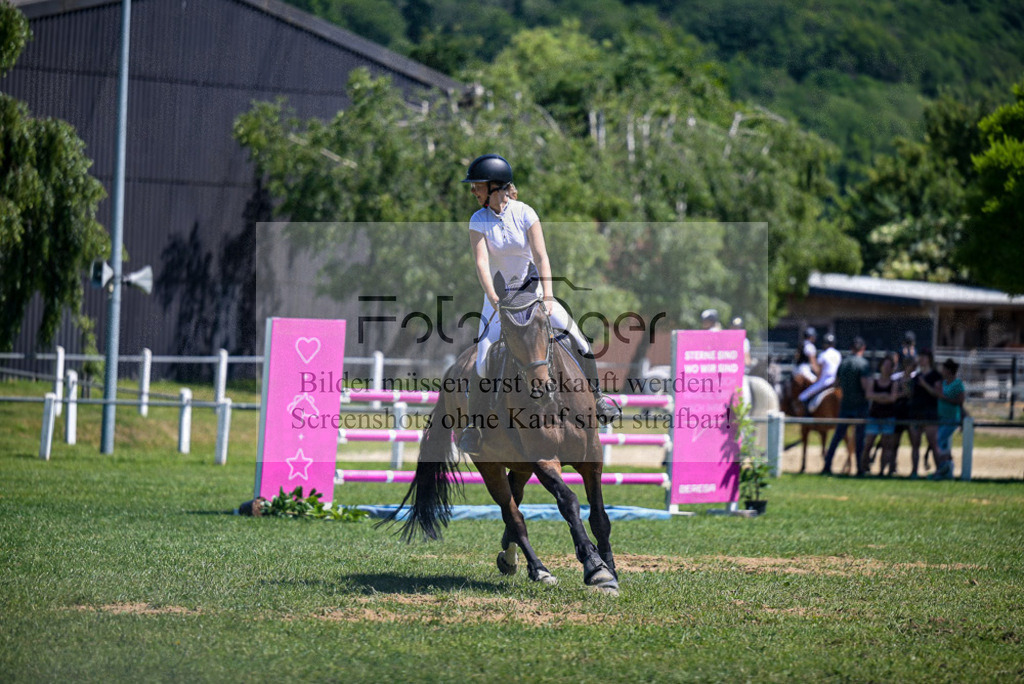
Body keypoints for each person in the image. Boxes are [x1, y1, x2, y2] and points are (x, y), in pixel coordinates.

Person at [459, 154, 620, 455]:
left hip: (534, 293)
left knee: (581, 341)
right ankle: (474, 425)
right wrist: (493, 299)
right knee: (482, 359)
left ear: (495, 187)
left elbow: (542, 256)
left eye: (477, 186)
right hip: (499, 299)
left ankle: (598, 398)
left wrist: (547, 295)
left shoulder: (525, 213)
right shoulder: (477, 220)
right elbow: (482, 263)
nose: (473, 191)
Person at [822, 336, 872, 475]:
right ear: (863, 348)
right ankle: (859, 468)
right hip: (860, 406)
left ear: (851, 348)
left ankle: (827, 465)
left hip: (845, 405)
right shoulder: (863, 364)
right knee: (859, 439)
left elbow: (836, 384)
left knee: (837, 436)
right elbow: (864, 386)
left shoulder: (843, 363)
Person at [861, 351, 900, 476]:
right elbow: (868, 395)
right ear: (881, 366)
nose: (887, 368)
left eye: (890, 366)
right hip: (874, 416)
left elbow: (893, 398)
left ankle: (883, 471)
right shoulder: (874, 381)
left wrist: (878, 397)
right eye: (885, 365)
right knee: (868, 444)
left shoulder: (894, 383)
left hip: (888, 417)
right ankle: (863, 468)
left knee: (886, 445)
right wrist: (883, 396)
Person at [906, 350, 942, 479]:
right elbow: (908, 391)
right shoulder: (916, 376)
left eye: (923, 357)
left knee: (933, 443)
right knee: (915, 445)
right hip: (916, 413)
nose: (921, 360)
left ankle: (939, 471)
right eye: (920, 357)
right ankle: (914, 471)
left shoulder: (935, 376)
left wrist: (925, 385)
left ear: (929, 359)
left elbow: (937, 393)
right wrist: (910, 370)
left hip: (930, 413)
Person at [927, 358, 965, 480]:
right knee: (941, 443)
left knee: (938, 441)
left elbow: (960, 401)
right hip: (941, 418)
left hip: (952, 418)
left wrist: (943, 397)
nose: (942, 371)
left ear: (949, 370)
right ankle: (947, 471)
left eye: (944, 369)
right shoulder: (942, 383)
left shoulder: (958, 384)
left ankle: (945, 467)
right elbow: (936, 394)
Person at [798, 332, 841, 407]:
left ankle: (807, 415)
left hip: (824, 381)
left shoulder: (823, 355)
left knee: (802, 396)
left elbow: (819, 372)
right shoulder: (838, 354)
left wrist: (816, 380)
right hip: (835, 381)